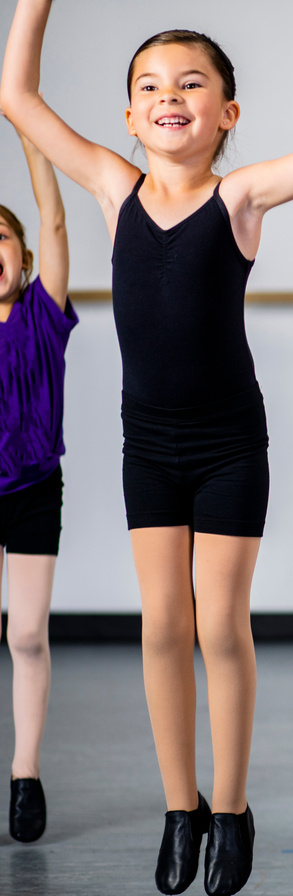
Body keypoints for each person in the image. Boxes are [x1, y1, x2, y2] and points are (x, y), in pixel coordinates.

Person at [0, 3, 293, 893]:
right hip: (148, 443)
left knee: (217, 623)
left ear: (227, 115)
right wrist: (38, 4)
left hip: (230, 442)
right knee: (161, 625)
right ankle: (182, 806)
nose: (170, 97)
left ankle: (234, 807)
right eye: (150, 87)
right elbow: (16, 95)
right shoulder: (112, 186)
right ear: (130, 115)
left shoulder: (239, 198)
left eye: (192, 84)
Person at [0, 126, 73, 845]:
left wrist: (29, 129)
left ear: (20, 257)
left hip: (31, 488)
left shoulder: (42, 318)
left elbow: (53, 215)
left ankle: (25, 771)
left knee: (26, 632)